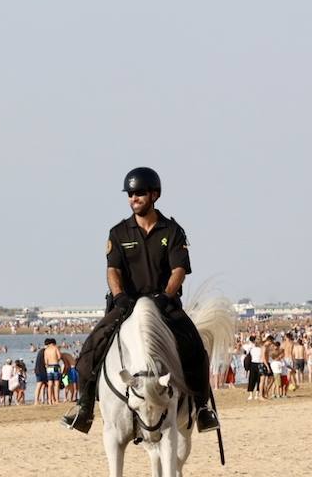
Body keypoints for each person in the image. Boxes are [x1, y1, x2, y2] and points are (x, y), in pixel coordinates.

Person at [62, 167, 219, 434]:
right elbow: (113, 270)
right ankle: (84, 406)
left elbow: (178, 270)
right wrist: (120, 296)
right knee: (91, 347)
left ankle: (203, 408)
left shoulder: (172, 230)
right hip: (127, 304)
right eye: (130, 193)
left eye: (139, 193)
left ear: (154, 195)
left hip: (164, 304)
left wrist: (165, 296)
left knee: (195, 348)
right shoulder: (119, 233)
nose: (134, 197)